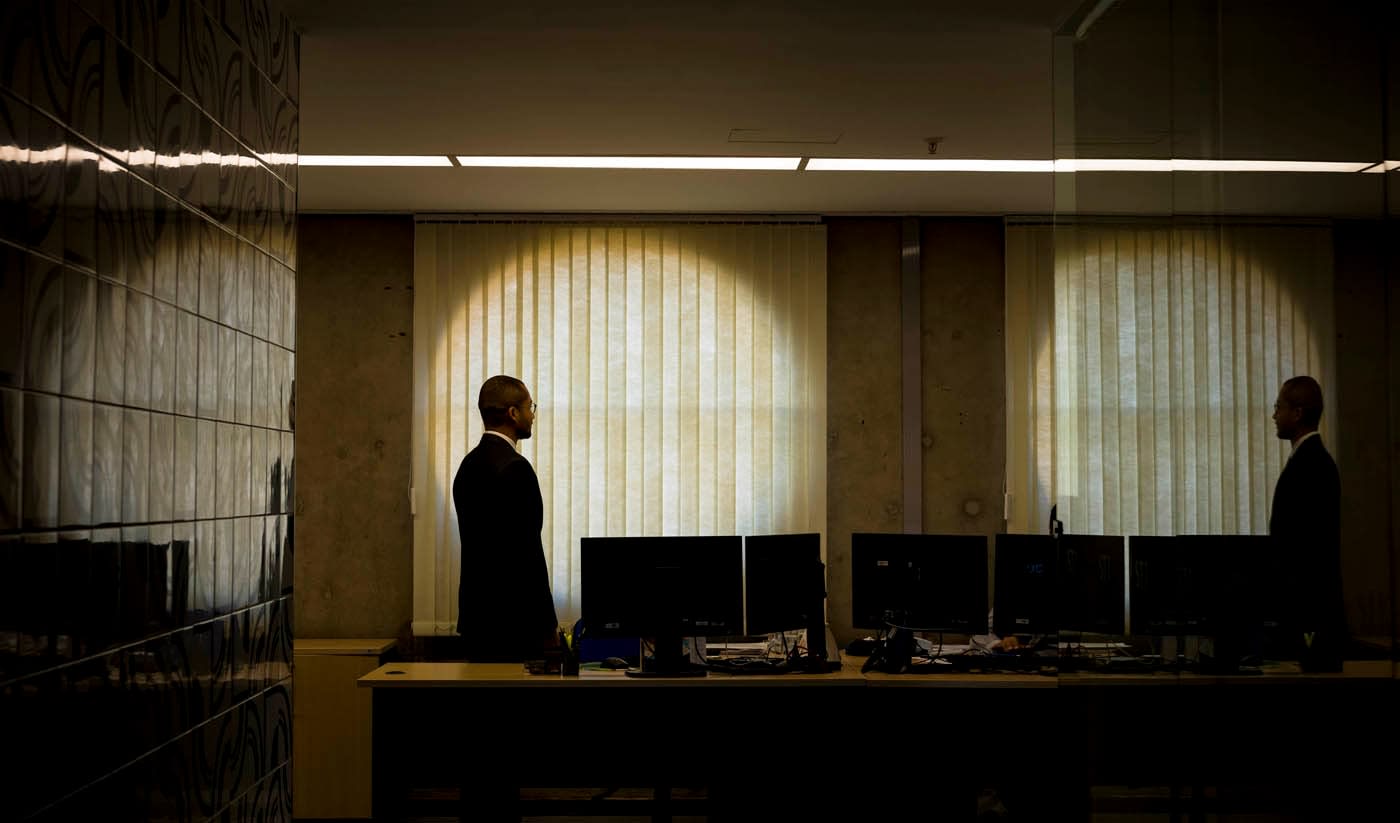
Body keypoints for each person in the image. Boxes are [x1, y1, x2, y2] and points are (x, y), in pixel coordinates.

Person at [454, 375, 559, 662]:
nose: (533, 416)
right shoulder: (516, 468)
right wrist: (548, 623)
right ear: (513, 413)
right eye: (530, 407)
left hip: (477, 622)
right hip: (515, 626)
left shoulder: (467, 466)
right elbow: (528, 552)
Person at [1269, 375, 1344, 672]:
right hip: (1309, 608)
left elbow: (1306, 547)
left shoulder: (1312, 464)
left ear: (1297, 413)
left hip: (1311, 610)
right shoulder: (1312, 460)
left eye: (1279, 407)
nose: (1274, 415)